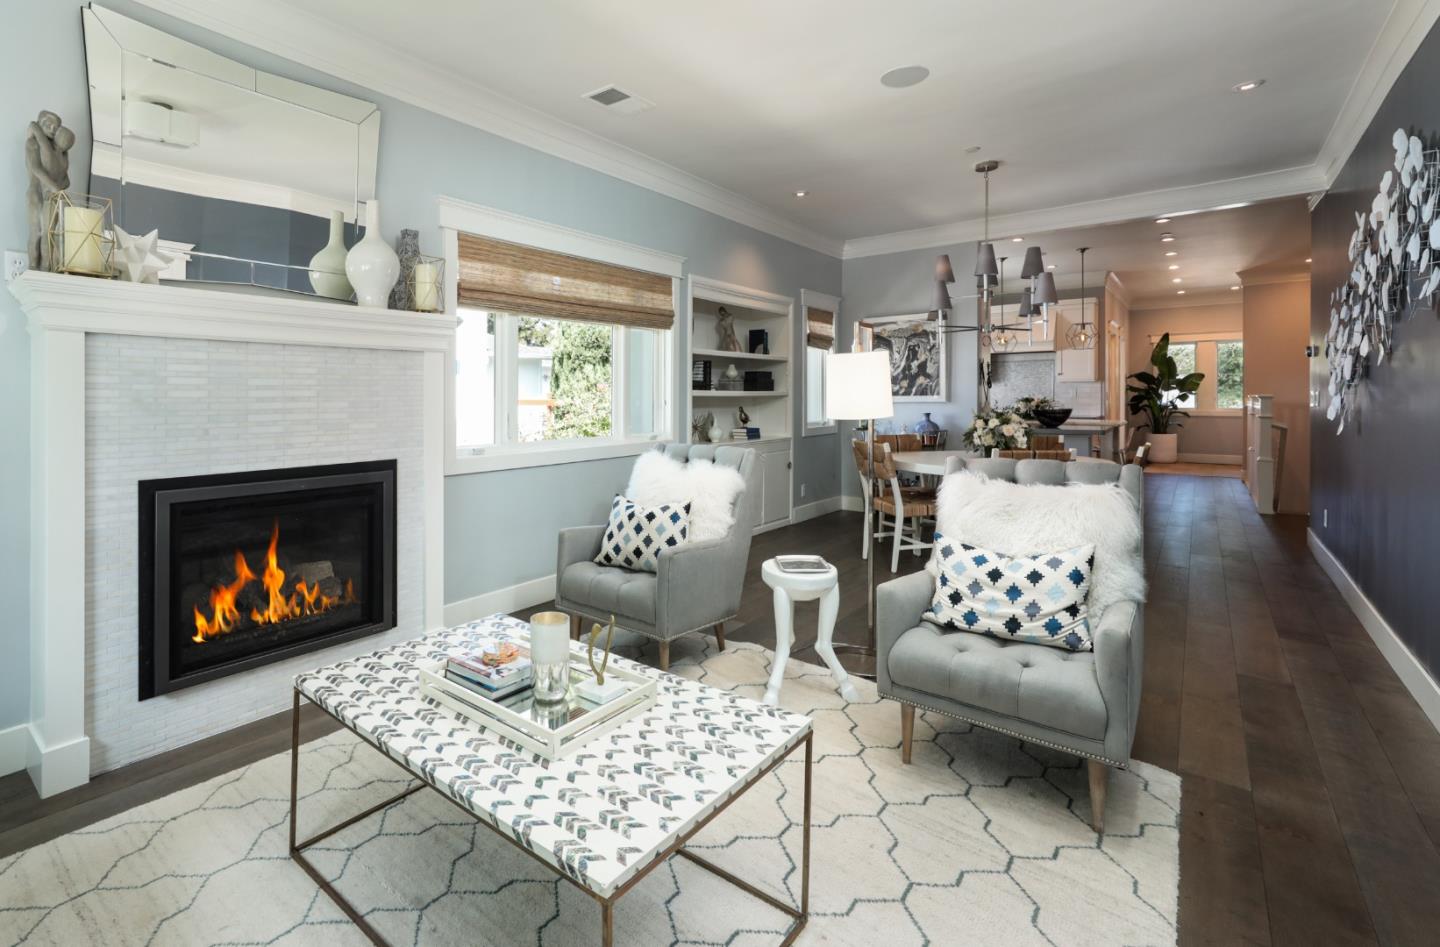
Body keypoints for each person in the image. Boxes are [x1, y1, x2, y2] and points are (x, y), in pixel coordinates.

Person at [26, 110, 75, 270]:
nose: (53, 129)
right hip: (36, 193)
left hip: (51, 196)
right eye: (49, 125)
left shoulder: (57, 156)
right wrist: (57, 188)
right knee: (36, 232)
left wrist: (57, 189)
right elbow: (36, 169)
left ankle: (47, 268)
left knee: (49, 233)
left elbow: (66, 181)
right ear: (40, 123)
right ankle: (33, 267)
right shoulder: (34, 144)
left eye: (56, 128)